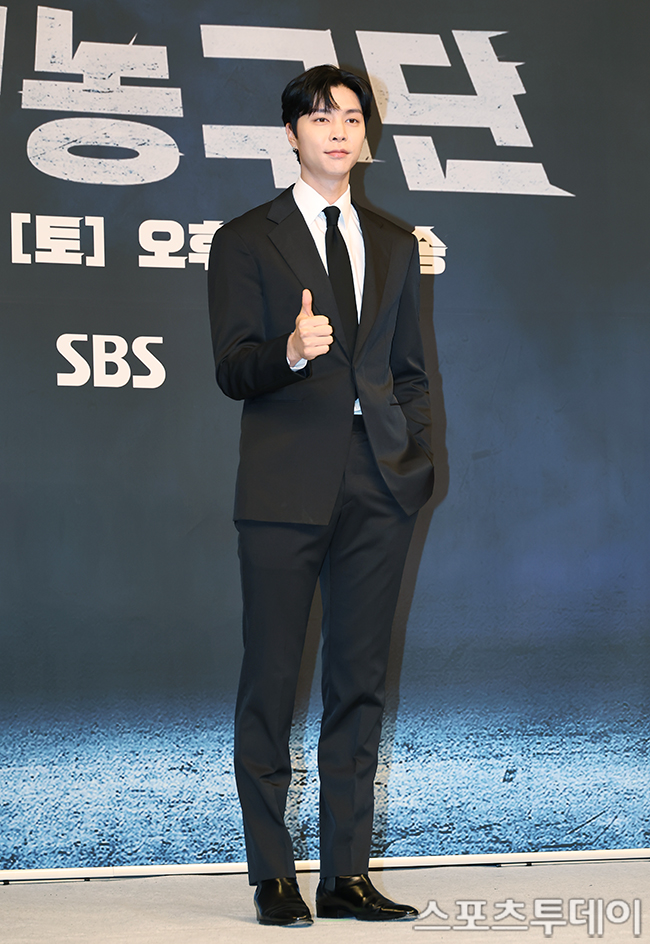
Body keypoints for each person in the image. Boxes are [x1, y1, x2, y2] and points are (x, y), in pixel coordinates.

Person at [208, 64, 434, 926]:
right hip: (283, 485)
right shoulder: (245, 239)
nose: (338, 130)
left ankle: (346, 873)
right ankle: (272, 874)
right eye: (319, 117)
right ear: (291, 135)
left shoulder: (395, 242)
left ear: (365, 134)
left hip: (379, 481)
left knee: (358, 682)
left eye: (351, 117)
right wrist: (291, 351)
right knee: (271, 679)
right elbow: (233, 367)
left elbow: (409, 370)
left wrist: (413, 458)